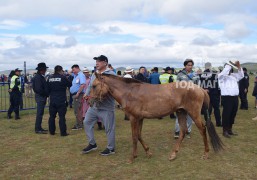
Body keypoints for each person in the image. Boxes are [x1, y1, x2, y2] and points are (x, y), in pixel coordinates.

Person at [82, 55, 116, 156]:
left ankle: (111, 148)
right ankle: (92, 143)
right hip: (94, 106)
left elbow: (114, 89)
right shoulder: (95, 73)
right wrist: (86, 93)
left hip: (106, 107)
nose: (97, 63)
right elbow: (90, 86)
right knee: (87, 122)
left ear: (105, 63)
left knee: (109, 128)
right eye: (96, 61)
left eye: (99, 61)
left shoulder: (111, 74)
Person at [174, 59, 199, 139]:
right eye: (188, 65)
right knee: (180, 115)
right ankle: (177, 131)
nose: (190, 66)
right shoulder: (180, 74)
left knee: (190, 116)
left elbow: (198, 86)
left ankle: (187, 131)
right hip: (181, 99)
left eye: (191, 65)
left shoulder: (195, 75)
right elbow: (176, 86)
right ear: (185, 66)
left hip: (192, 98)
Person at [218, 61, 244, 138]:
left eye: (230, 68)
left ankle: (229, 129)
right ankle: (225, 130)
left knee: (233, 113)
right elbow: (223, 73)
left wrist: (239, 66)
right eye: (228, 68)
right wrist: (229, 64)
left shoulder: (233, 76)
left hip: (235, 97)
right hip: (227, 98)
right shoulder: (221, 76)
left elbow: (241, 75)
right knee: (227, 114)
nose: (229, 70)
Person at [47, 65, 72, 136]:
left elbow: (47, 88)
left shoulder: (50, 78)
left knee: (52, 116)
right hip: (61, 99)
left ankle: (52, 131)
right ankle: (63, 132)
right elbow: (70, 84)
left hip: (52, 99)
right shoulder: (63, 77)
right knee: (62, 117)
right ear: (61, 70)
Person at [199, 62, 222, 127]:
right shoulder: (214, 74)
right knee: (216, 109)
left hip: (206, 93)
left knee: (207, 109)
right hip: (214, 94)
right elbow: (216, 84)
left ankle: (208, 122)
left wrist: (205, 90)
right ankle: (218, 122)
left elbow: (200, 84)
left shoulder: (202, 75)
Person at [32, 62, 49, 134]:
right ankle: (38, 128)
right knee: (39, 113)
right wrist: (46, 93)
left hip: (41, 96)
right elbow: (38, 89)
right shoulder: (38, 77)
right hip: (41, 97)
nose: (45, 71)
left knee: (40, 113)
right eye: (45, 69)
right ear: (42, 70)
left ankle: (39, 127)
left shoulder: (39, 76)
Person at [70, 64, 86, 130]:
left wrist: (78, 93)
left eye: (74, 70)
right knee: (77, 110)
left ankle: (79, 125)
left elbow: (82, 85)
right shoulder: (76, 75)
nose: (73, 71)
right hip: (76, 95)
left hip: (78, 95)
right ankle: (79, 124)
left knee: (77, 110)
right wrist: (73, 71)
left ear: (77, 68)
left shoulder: (81, 75)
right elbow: (69, 72)